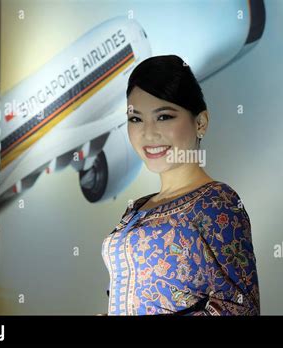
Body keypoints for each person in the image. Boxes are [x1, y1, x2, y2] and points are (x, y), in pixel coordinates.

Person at [102, 55, 260, 315]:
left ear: (200, 122)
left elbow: (241, 310)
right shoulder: (137, 209)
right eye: (135, 119)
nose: (148, 133)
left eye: (163, 117)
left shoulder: (217, 203)